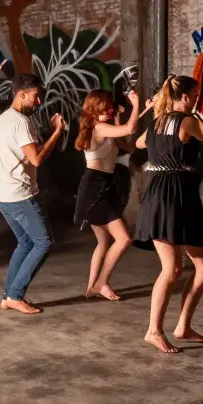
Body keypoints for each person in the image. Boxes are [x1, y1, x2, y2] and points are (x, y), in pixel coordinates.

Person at [135, 75, 203, 353]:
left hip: (174, 195)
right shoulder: (186, 122)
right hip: (169, 197)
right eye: (195, 95)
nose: (197, 99)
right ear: (184, 97)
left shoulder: (157, 123)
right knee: (171, 268)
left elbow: (139, 144)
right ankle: (153, 330)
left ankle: (183, 326)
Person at [0, 74, 64, 315]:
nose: (38, 101)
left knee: (25, 242)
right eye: (35, 95)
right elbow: (37, 159)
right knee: (44, 243)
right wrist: (57, 132)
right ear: (21, 94)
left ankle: (7, 296)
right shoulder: (21, 122)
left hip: (2, 194)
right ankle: (15, 294)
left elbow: (24, 155)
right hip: (19, 195)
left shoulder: (3, 119)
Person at [74, 88, 151, 300]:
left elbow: (127, 143)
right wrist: (136, 106)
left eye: (110, 106)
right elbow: (130, 127)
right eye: (106, 106)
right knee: (124, 238)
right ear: (95, 107)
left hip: (104, 186)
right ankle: (101, 283)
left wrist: (141, 111)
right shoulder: (98, 128)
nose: (110, 109)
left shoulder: (105, 128)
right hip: (94, 188)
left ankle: (91, 287)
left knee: (104, 242)